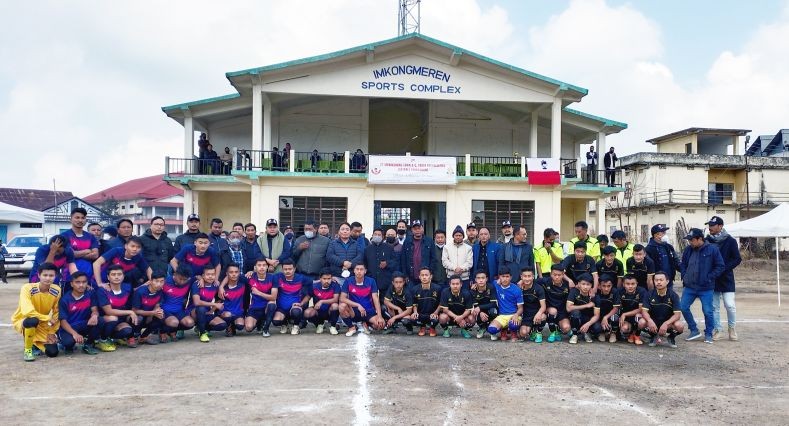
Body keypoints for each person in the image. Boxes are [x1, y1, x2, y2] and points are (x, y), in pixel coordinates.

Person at [679, 228, 725, 344]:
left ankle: (709, 334)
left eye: (692, 240)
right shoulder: (688, 250)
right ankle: (694, 330)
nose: (690, 242)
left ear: (700, 239)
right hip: (690, 286)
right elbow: (683, 264)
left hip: (706, 288)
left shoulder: (712, 249)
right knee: (683, 307)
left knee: (708, 311)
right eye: (689, 240)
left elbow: (720, 266)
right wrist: (684, 275)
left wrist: (709, 277)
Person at [13, 262, 62, 361]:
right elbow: (28, 311)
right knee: (32, 320)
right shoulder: (27, 288)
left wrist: (52, 331)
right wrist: (47, 318)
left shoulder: (56, 290)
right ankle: (28, 350)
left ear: (55, 276)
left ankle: (33, 341)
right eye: (45, 275)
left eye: (51, 275)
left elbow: (57, 312)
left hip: (42, 323)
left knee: (52, 353)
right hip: (24, 319)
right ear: (39, 275)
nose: (48, 278)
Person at [704, 216, 741, 341]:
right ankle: (718, 330)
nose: (710, 228)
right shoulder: (707, 241)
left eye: (712, 225)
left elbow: (737, 259)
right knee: (714, 306)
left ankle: (732, 328)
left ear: (720, 226)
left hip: (726, 278)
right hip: (712, 278)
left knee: (730, 305)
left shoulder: (730, 241)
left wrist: (724, 268)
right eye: (709, 225)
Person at [96, 264, 138, 350]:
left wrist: (130, 314)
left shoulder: (128, 287)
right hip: (105, 320)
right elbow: (109, 311)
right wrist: (129, 312)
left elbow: (131, 305)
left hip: (120, 320)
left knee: (130, 326)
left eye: (119, 274)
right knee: (113, 318)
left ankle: (118, 338)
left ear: (123, 276)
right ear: (108, 277)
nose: (116, 277)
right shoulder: (102, 290)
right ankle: (102, 340)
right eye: (113, 274)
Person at [57, 271, 100, 355]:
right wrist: (75, 334)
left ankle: (88, 344)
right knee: (68, 343)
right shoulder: (64, 299)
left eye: (84, 282)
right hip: (69, 327)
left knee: (100, 321)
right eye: (78, 282)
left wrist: (94, 315)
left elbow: (94, 310)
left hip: (84, 324)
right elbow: (63, 321)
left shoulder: (90, 294)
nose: (81, 285)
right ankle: (64, 345)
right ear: (72, 284)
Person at [339, 263, 385, 336]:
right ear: (354, 270)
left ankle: (365, 323)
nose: (359, 271)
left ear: (365, 271)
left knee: (380, 325)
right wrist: (357, 305)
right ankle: (352, 327)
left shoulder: (371, 281)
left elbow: (375, 299)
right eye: (357, 269)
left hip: (368, 311)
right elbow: (342, 298)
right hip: (354, 311)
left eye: (361, 269)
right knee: (342, 306)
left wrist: (380, 316)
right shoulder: (348, 281)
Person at [642, 271, 685, 348]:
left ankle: (671, 337)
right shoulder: (649, 294)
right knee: (641, 322)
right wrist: (650, 321)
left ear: (667, 281)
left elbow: (677, 315)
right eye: (656, 280)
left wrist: (666, 323)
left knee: (680, 326)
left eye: (661, 280)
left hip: (668, 323)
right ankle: (653, 336)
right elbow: (644, 311)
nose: (658, 282)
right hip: (654, 323)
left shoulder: (674, 295)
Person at [271, 259, 311, 335]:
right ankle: (284, 324)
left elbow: (314, 285)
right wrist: (252, 273)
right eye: (285, 269)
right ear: (282, 269)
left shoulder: (301, 278)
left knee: (296, 312)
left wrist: (302, 303)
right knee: (276, 322)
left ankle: (296, 326)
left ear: (294, 269)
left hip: (295, 307)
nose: (287, 271)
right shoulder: (278, 277)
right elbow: (264, 277)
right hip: (281, 308)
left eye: (290, 269)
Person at [189, 268, 227, 342]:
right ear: (203, 276)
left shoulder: (215, 285)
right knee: (201, 309)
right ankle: (202, 333)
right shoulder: (197, 284)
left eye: (212, 274)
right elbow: (197, 302)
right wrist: (214, 304)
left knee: (222, 325)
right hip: (194, 312)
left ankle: (201, 328)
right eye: (208, 274)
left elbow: (219, 299)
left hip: (207, 312)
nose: (210, 276)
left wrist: (212, 310)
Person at [160, 265, 196, 342]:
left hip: (179, 311)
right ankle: (162, 331)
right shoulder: (165, 281)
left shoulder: (189, 281)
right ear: (175, 274)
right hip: (165, 310)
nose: (182, 282)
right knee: (174, 322)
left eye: (185, 280)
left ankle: (171, 331)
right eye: (180, 279)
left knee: (190, 323)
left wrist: (200, 279)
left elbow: (198, 277)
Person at [486, 266, 523, 341]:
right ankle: (504, 329)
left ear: (511, 277)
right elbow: (484, 285)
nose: (505, 279)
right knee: (491, 330)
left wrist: (516, 315)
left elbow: (521, 308)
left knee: (513, 325)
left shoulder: (516, 290)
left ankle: (513, 332)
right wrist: (475, 285)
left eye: (507, 276)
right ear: (499, 277)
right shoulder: (495, 285)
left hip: (513, 314)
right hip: (502, 316)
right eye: (503, 276)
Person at [62, 207, 100, 280]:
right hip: (69, 276)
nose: (80, 220)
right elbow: (70, 254)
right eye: (77, 217)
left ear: (86, 220)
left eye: (83, 218)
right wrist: (87, 251)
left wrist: (77, 254)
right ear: (71, 219)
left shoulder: (91, 237)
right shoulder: (64, 236)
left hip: (88, 276)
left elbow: (95, 255)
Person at [244, 257, 278, 337]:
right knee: (248, 328)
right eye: (259, 265)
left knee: (272, 304)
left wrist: (258, 292)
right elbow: (232, 276)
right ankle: (259, 322)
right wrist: (221, 287)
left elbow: (273, 297)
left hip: (267, 307)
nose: (262, 267)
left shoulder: (273, 278)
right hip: (254, 308)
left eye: (264, 265)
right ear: (255, 268)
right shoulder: (250, 277)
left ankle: (266, 329)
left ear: (267, 267)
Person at [131, 271, 166, 345]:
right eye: (156, 281)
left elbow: (157, 304)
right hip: (137, 316)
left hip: (149, 315)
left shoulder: (160, 291)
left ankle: (143, 337)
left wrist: (155, 312)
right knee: (138, 318)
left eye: (162, 281)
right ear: (150, 281)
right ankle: (134, 336)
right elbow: (134, 310)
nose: (159, 284)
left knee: (161, 316)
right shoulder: (140, 292)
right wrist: (152, 313)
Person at [566, 273, 601, 344]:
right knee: (575, 312)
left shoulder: (595, 297)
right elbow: (568, 308)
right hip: (576, 317)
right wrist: (587, 305)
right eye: (583, 284)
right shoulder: (574, 292)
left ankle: (587, 333)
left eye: (588, 284)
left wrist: (588, 324)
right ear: (579, 284)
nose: (585, 287)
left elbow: (597, 315)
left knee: (598, 328)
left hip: (588, 319)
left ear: (591, 286)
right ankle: (575, 334)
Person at [304, 268, 340, 335]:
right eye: (324, 279)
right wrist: (301, 304)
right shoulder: (314, 286)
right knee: (307, 313)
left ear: (331, 278)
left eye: (329, 279)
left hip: (330, 311)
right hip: (319, 311)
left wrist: (321, 301)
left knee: (335, 305)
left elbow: (335, 299)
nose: (327, 281)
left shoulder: (335, 285)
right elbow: (308, 297)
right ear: (320, 278)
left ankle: (333, 326)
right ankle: (319, 324)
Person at [364, 228, 397, 299]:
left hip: (385, 281)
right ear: (372, 235)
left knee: (385, 302)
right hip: (371, 279)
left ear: (383, 237)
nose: (377, 236)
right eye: (375, 234)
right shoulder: (367, 249)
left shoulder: (389, 247)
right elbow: (365, 263)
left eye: (379, 235)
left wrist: (387, 263)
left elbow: (394, 261)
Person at [645, 224, 681, 288]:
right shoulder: (649, 249)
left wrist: (683, 270)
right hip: (657, 282)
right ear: (656, 235)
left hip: (668, 281)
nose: (664, 235)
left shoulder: (668, 247)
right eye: (662, 233)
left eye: (664, 233)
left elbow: (675, 260)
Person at [400, 220, 434, 289]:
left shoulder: (429, 241)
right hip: (411, 277)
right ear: (412, 230)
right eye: (415, 229)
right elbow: (403, 259)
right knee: (411, 296)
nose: (417, 230)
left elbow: (433, 259)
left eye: (419, 228)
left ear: (422, 229)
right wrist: (405, 275)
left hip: (425, 276)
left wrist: (430, 273)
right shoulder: (407, 242)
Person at [516, 268, 546, 343]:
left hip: (536, 313)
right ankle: (532, 330)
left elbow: (543, 306)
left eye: (529, 276)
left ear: (533, 276)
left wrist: (539, 314)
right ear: (521, 277)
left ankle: (538, 332)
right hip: (525, 315)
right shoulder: (518, 288)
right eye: (525, 276)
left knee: (543, 317)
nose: (527, 278)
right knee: (523, 333)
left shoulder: (539, 288)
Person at [410, 267, 442, 336]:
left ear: (431, 276)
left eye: (426, 275)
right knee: (412, 318)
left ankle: (432, 328)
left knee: (435, 319)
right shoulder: (414, 289)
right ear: (419, 277)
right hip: (421, 314)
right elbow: (414, 303)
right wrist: (415, 312)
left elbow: (441, 303)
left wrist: (436, 313)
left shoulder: (437, 288)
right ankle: (422, 327)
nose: (424, 277)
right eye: (422, 275)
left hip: (432, 314)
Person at [543, 264, 572, 343]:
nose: (556, 277)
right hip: (550, 309)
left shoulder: (568, 285)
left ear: (563, 275)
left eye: (559, 275)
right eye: (554, 275)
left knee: (566, 328)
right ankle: (552, 332)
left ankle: (558, 329)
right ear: (550, 274)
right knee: (553, 311)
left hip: (562, 311)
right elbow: (531, 281)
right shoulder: (545, 281)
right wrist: (522, 282)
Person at [217, 264, 246, 336]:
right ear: (227, 274)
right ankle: (228, 326)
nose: (234, 274)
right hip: (225, 312)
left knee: (240, 326)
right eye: (231, 272)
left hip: (238, 312)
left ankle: (233, 325)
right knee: (228, 315)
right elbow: (218, 301)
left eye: (236, 272)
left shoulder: (243, 285)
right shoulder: (222, 288)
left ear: (239, 273)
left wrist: (251, 272)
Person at [619, 274, 648, 345]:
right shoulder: (620, 291)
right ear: (623, 284)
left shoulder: (642, 291)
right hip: (626, 317)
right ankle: (630, 334)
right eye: (627, 284)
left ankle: (637, 335)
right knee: (624, 328)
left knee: (638, 316)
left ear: (637, 284)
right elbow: (618, 307)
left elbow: (641, 309)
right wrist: (620, 315)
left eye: (633, 284)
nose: (630, 286)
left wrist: (624, 314)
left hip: (637, 314)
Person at [468, 271, 498, 339]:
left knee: (494, 311)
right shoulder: (473, 290)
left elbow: (493, 304)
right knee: (474, 312)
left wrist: (480, 307)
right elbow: (475, 306)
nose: (481, 280)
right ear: (475, 280)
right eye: (478, 278)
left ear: (486, 279)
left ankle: (492, 329)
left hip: (490, 309)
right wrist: (480, 312)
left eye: (483, 278)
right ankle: (482, 327)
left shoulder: (491, 287)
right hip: (480, 311)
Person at [443, 226, 473, 290]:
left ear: (463, 236)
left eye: (460, 235)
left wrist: (461, 268)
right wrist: (454, 268)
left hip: (464, 278)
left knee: (465, 296)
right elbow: (445, 261)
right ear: (453, 236)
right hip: (451, 277)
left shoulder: (468, 248)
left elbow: (469, 262)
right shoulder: (446, 247)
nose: (458, 237)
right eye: (456, 235)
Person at [596, 275, 620, 343]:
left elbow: (616, 308)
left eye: (608, 286)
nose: (606, 289)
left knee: (615, 317)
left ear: (612, 285)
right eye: (604, 286)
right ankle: (602, 333)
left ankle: (613, 333)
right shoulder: (596, 292)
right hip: (599, 315)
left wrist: (606, 317)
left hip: (610, 314)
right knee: (596, 327)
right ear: (599, 286)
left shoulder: (615, 292)